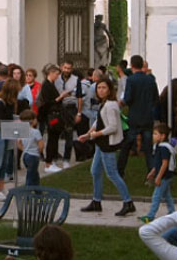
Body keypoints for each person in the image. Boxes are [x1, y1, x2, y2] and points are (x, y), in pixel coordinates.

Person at [79, 77, 136, 216]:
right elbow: (99, 121)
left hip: (107, 144)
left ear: (110, 90)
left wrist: (96, 134)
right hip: (101, 143)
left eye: (104, 87)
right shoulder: (104, 104)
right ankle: (96, 201)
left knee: (112, 174)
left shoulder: (111, 105)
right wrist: (88, 134)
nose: (101, 90)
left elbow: (113, 127)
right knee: (95, 171)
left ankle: (128, 202)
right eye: (98, 87)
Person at [118, 54, 159, 176]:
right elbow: (156, 99)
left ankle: (120, 170)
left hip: (135, 117)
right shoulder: (150, 80)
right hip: (147, 116)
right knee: (148, 147)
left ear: (131, 66)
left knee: (127, 145)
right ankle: (151, 171)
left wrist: (123, 102)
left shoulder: (131, 80)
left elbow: (128, 98)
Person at [140, 123, 176, 223]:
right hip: (164, 175)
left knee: (156, 196)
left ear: (163, 136)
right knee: (167, 196)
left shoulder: (164, 148)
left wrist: (159, 177)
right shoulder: (159, 147)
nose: (153, 136)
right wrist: (152, 172)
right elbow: (158, 163)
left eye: (156, 134)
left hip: (164, 176)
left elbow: (165, 163)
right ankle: (173, 213)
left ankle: (150, 216)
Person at [54, 60, 83, 168]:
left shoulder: (76, 80)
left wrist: (79, 113)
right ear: (62, 67)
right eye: (65, 68)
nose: (66, 70)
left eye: (69, 68)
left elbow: (80, 98)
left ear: (72, 69)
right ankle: (54, 158)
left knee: (69, 134)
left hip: (70, 109)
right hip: (57, 110)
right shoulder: (56, 78)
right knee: (54, 133)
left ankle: (66, 159)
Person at [38, 64, 66, 174]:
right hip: (51, 115)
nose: (57, 76)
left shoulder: (50, 84)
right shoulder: (46, 85)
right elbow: (48, 102)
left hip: (54, 114)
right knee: (52, 138)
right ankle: (48, 163)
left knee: (54, 138)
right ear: (50, 73)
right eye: (56, 74)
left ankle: (51, 161)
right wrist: (60, 97)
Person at [17, 109, 43, 186]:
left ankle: (38, 191)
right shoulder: (36, 132)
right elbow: (41, 143)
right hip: (33, 155)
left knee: (35, 174)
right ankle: (27, 192)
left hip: (25, 155)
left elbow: (18, 143)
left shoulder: (22, 131)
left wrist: (24, 149)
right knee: (30, 175)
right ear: (33, 120)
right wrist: (40, 151)